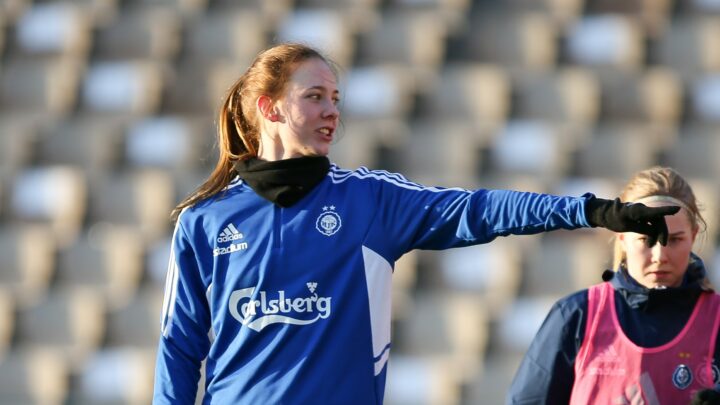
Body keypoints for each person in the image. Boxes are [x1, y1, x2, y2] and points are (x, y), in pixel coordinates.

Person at [152, 43, 679, 404]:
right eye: (314, 96)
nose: (332, 110)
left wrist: (588, 210)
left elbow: (479, 210)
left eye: (336, 98)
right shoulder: (205, 221)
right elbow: (180, 345)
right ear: (269, 108)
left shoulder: (371, 200)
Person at [507, 166, 720, 405]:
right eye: (646, 239)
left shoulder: (717, 318)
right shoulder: (576, 316)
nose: (660, 255)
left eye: (675, 239)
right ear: (623, 238)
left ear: (694, 235)